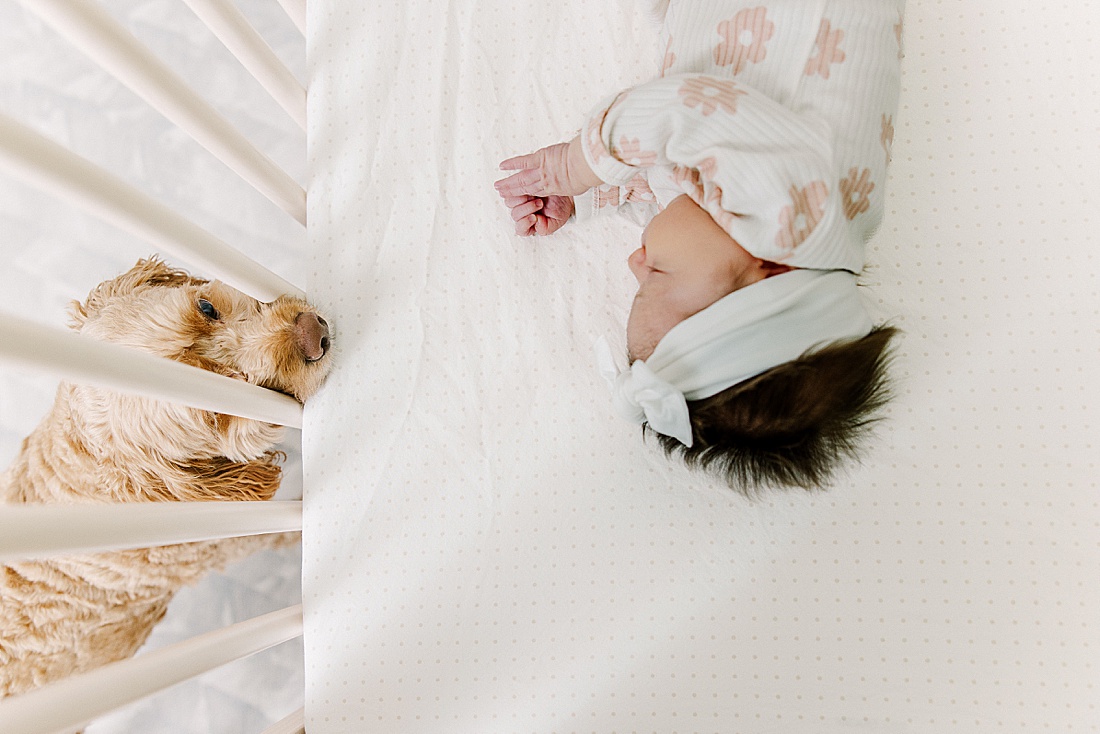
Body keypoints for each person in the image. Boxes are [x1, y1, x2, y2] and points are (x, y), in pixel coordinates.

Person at [494, 0, 904, 490]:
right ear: (768, 271)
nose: (635, 260)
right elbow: (681, 111)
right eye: (657, 275)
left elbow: (675, 183)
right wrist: (576, 166)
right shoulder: (799, 214)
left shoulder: (738, 229)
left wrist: (584, 200)